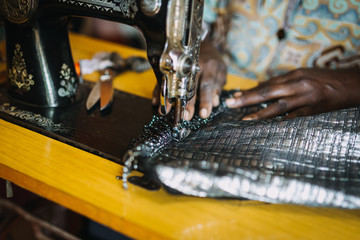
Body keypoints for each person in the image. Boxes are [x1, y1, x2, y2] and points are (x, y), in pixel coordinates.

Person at [154, 0, 360, 121]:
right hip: (217, 88)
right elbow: (192, 14)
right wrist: (197, 45)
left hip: (329, 113)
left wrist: (351, 84)